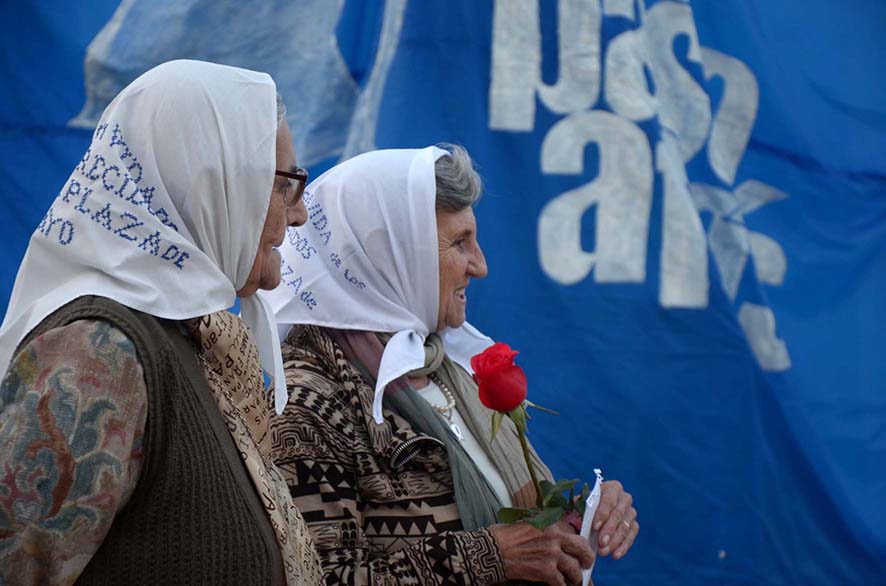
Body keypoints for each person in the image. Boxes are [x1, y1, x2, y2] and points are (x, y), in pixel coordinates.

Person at [0, 60, 322, 585]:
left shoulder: (190, 336)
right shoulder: (99, 353)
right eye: (286, 183)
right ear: (208, 184)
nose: (300, 213)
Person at [261, 145, 639, 585]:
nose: (480, 266)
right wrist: (489, 557)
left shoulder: (442, 363)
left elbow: (516, 525)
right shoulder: (307, 401)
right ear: (393, 252)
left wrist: (580, 523)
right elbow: (317, 577)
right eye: (460, 243)